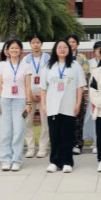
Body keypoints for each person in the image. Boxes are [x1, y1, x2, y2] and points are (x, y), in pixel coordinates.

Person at [40, 40, 86, 173]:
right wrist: (43, 104)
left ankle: (67, 162)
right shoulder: (48, 66)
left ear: (69, 50)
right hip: (52, 106)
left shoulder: (75, 65)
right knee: (54, 135)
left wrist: (78, 103)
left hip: (69, 106)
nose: (62, 49)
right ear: (55, 50)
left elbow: (80, 86)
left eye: (65, 47)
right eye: (59, 47)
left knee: (67, 135)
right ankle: (55, 162)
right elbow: (43, 88)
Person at [0, 39, 33, 171]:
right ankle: (5, 160)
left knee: (18, 131)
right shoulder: (2, 65)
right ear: (7, 50)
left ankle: (16, 160)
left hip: (20, 101)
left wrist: (28, 103)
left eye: (17, 48)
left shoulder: (26, 66)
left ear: (21, 50)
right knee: (5, 132)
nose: (14, 50)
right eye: (11, 48)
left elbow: (28, 86)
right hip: (5, 101)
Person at [24, 35, 51, 158]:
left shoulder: (47, 58)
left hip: (44, 95)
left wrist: (43, 93)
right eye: (33, 42)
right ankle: (30, 148)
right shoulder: (26, 59)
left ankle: (43, 148)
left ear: (41, 44)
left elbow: (50, 76)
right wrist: (30, 94)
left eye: (38, 42)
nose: (36, 45)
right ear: (30, 44)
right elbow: (23, 78)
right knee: (26, 121)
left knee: (45, 123)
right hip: (29, 96)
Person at [66, 34, 89, 155]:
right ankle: (68, 143)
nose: (71, 44)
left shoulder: (82, 58)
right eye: (69, 42)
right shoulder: (63, 57)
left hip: (78, 92)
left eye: (73, 42)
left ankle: (78, 144)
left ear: (77, 44)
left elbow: (85, 74)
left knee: (78, 120)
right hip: (65, 93)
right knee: (67, 119)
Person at [84, 41, 101, 154]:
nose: (99, 51)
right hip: (93, 96)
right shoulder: (89, 63)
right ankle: (95, 142)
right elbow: (86, 78)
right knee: (94, 119)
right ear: (94, 52)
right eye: (98, 49)